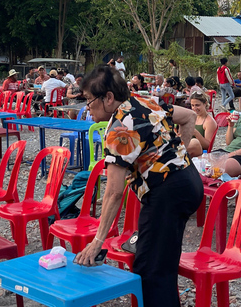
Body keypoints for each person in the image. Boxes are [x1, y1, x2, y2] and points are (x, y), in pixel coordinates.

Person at [74, 65, 200, 307]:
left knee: (151, 269)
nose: (87, 108)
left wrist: (98, 242)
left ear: (108, 98)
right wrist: (178, 157)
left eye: (89, 101)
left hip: (166, 194)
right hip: (188, 181)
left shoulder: (119, 128)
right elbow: (189, 117)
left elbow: (113, 192)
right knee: (161, 261)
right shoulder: (145, 101)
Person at [187, 92, 217, 158]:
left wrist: (196, 133)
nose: (194, 108)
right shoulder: (193, 116)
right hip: (189, 147)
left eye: (197, 105)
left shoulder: (209, 121)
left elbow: (208, 146)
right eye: (192, 105)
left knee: (194, 142)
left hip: (200, 152)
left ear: (205, 103)